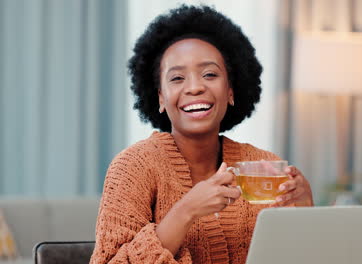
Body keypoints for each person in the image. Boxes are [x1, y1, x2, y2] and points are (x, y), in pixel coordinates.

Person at [90, 5, 313, 264]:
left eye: (209, 74)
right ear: (160, 98)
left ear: (230, 90)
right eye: (177, 78)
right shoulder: (133, 168)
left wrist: (305, 209)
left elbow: (299, 255)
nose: (195, 87)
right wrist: (186, 210)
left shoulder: (261, 166)